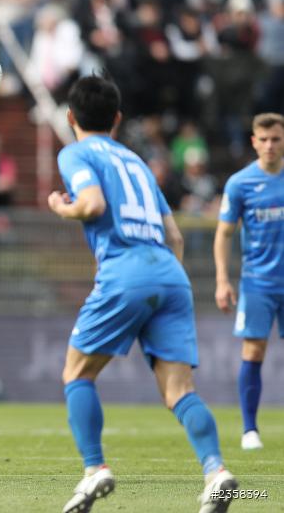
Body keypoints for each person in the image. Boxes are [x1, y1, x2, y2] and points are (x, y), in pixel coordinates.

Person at [47, 75, 237, 513]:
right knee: (179, 390)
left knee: (77, 374)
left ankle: (95, 470)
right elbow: (175, 236)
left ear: (71, 117)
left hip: (125, 270)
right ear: (117, 119)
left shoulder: (75, 152)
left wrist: (62, 207)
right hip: (170, 274)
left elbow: (91, 205)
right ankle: (216, 472)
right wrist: (162, 283)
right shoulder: (136, 162)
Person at [214, 112, 284, 451]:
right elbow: (224, 233)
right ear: (254, 142)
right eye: (264, 139)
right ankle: (249, 430)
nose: (270, 145)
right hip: (258, 282)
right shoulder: (239, 184)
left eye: (276, 139)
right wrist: (222, 280)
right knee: (253, 351)